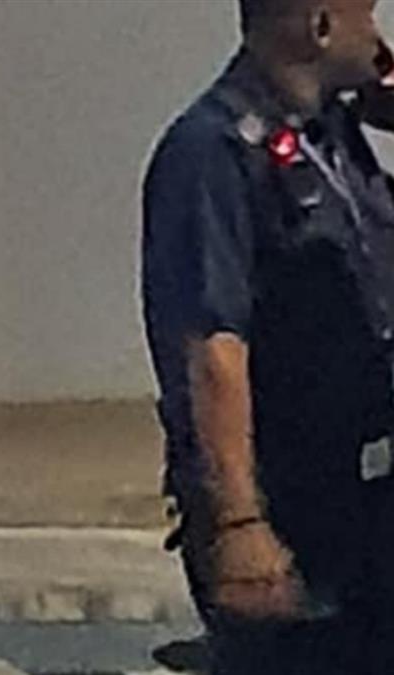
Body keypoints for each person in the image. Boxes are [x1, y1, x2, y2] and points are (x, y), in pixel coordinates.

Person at [141, 1, 394, 673]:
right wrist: (239, 522)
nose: (379, 35)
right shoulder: (213, 153)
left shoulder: (329, 137)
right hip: (293, 508)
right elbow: (211, 350)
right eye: (368, 15)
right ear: (319, 27)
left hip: (364, 502)